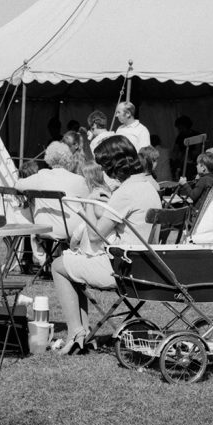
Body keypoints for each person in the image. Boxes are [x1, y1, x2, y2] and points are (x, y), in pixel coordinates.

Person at [50, 135, 160, 355]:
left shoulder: (125, 193)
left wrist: (90, 202)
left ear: (113, 165)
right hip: (145, 265)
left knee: (58, 265)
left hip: (121, 269)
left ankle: (76, 333)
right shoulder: (149, 187)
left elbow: (94, 236)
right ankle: (81, 333)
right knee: (73, 264)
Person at [16, 141, 88, 240]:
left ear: (48, 158)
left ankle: (40, 255)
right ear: (68, 159)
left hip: (44, 229)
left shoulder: (41, 176)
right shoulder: (78, 180)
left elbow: (18, 185)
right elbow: (89, 202)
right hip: (73, 231)